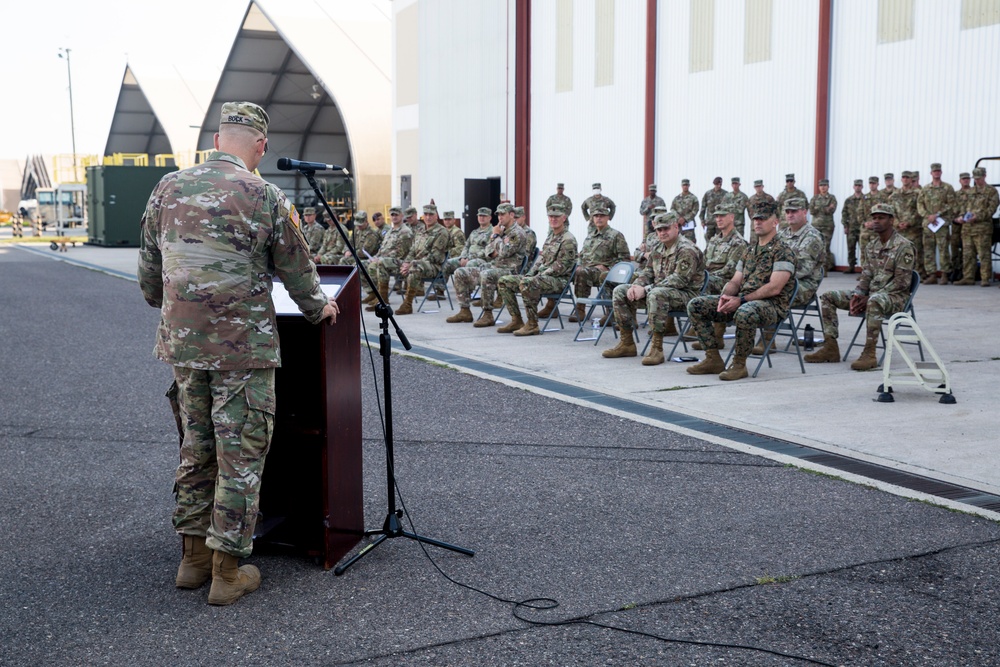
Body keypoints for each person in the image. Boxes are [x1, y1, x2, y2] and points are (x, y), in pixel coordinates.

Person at [137, 101, 340, 606]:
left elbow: (149, 270)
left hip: (183, 346)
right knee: (240, 456)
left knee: (196, 447)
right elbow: (296, 271)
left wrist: (177, 306)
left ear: (217, 137)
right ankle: (227, 571)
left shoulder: (168, 187)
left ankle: (192, 560)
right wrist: (321, 310)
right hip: (242, 351)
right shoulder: (262, 193)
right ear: (261, 146)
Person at [685, 201, 795, 381]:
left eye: (763, 219)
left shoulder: (782, 250)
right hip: (744, 301)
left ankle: (739, 364)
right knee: (696, 305)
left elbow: (775, 287)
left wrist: (741, 300)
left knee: (745, 312)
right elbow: (736, 280)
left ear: (775, 222)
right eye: (755, 219)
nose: (757, 222)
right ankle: (713, 358)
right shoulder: (750, 250)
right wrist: (726, 296)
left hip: (771, 306)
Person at [805, 203, 915, 370]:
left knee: (875, 301)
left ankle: (869, 353)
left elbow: (902, 282)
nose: (876, 221)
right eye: (874, 218)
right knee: (828, 296)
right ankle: (830, 348)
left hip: (895, 297)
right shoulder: (872, 246)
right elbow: (867, 275)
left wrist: (869, 297)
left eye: (881, 218)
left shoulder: (904, 246)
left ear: (891, 220)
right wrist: (858, 295)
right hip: (872, 295)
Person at [602, 211, 705, 365]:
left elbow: (679, 280)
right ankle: (627, 343)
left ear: (676, 227)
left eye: (666, 229)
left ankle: (657, 348)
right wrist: (638, 285)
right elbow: (648, 272)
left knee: (656, 294)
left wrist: (646, 289)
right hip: (661, 292)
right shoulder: (658, 248)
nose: (662, 233)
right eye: (659, 230)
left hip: (686, 295)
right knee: (621, 291)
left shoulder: (687, 249)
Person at [497, 203, 577, 336]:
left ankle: (532, 324)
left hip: (558, 280)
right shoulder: (551, 236)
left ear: (564, 218)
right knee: (504, 281)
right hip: (542, 277)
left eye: (557, 217)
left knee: (528, 283)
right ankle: (516, 320)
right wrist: (529, 274)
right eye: (551, 217)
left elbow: (562, 266)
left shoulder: (568, 239)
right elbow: (540, 260)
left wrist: (537, 276)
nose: (553, 219)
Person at [451, 203, 526, 325]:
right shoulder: (501, 231)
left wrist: (495, 237)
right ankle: (465, 311)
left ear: (512, 215)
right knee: (460, 272)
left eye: (503, 214)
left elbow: (504, 252)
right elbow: (488, 252)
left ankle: (488, 314)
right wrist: (498, 242)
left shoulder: (517, 233)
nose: (500, 217)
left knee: (487, 274)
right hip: (495, 266)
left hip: (510, 270)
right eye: (499, 215)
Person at [690, 203, 748, 351]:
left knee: (704, 282)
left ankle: (716, 335)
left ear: (732, 217)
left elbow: (730, 270)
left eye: (722, 216)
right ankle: (687, 325)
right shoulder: (714, 240)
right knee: (687, 280)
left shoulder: (738, 242)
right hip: (709, 276)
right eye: (717, 216)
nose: (719, 219)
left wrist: (704, 276)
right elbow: (702, 262)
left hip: (727, 281)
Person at [570, 205, 630, 323]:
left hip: (605, 272)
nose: (599, 218)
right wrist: (579, 264)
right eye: (596, 216)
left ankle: (609, 312)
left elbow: (625, 260)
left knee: (581, 272)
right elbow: (582, 255)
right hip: (587, 271)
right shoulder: (590, 236)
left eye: (602, 216)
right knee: (576, 270)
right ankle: (579, 308)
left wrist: (608, 267)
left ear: (608, 218)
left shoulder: (616, 235)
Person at [395, 204, 450, 314]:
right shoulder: (420, 230)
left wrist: (412, 263)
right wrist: (406, 263)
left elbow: (435, 256)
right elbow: (412, 251)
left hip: (434, 266)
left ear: (436, 216)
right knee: (396, 263)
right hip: (417, 265)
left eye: (431, 214)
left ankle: (407, 304)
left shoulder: (441, 232)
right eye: (426, 214)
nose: (428, 217)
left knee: (415, 266)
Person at [956, 167, 999, 286]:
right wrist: (961, 216)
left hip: (982, 228)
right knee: (967, 254)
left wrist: (977, 217)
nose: (977, 181)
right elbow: (962, 207)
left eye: (979, 178)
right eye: (975, 179)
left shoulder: (991, 191)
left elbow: (991, 209)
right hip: (967, 228)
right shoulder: (969, 192)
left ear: (985, 176)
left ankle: (985, 278)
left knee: (983, 254)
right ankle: (968, 277)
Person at [366, 206, 415, 309]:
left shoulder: (405, 231)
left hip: (401, 262)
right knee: (365, 265)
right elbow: (382, 248)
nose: (394, 217)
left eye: (397, 214)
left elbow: (401, 252)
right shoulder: (390, 232)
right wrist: (375, 257)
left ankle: (383, 299)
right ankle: (376, 294)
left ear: (402, 216)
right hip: (386, 260)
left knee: (381, 263)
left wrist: (380, 259)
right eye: (392, 215)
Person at [916, 163, 956, 285]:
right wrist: (927, 215)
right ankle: (932, 274)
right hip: (929, 223)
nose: (936, 173)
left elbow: (951, 204)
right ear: (931, 173)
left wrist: (937, 214)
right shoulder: (925, 189)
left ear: (941, 172)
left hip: (941, 224)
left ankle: (944, 275)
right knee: (928, 249)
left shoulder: (948, 188)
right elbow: (920, 204)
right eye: (934, 171)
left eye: (938, 171)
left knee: (943, 249)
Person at [889, 172, 923, 279]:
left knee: (913, 252)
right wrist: (897, 223)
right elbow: (891, 212)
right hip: (899, 230)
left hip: (913, 229)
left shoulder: (918, 193)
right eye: (903, 177)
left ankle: (915, 274)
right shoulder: (895, 194)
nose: (905, 179)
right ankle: (900, 274)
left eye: (907, 177)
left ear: (911, 179)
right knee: (898, 252)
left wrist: (909, 222)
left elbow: (920, 210)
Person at [808, 179, 838, 272]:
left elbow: (831, 210)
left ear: (828, 187)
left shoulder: (832, 198)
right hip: (815, 226)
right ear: (819, 187)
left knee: (825, 247)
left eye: (825, 185)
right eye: (821, 185)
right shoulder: (815, 198)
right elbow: (812, 211)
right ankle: (815, 269)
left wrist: (819, 208)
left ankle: (824, 269)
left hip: (827, 226)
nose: (823, 187)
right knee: (815, 246)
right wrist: (825, 207)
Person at [951, 173, 973, 280]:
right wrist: (955, 219)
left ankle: (967, 273)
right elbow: (951, 209)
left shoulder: (973, 193)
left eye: (967, 179)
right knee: (955, 248)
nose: (966, 181)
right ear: (960, 180)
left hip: (970, 225)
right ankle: (956, 270)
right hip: (957, 226)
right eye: (963, 179)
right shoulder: (955, 194)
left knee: (967, 250)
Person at [842, 179, 864, 273]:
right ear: (853, 187)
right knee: (851, 248)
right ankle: (851, 266)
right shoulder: (849, 200)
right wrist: (845, 225)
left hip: (862, 228)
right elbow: (844, 213)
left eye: (859, 185)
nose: (858, 187)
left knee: (864, 248)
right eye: (856, 185)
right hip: (851, 227)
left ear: (862, 187)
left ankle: (864, 268)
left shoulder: (866, 198)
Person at [747, 179, 775, 244]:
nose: (758, 188)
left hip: (766, 225)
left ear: (762, 186)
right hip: (754, 226)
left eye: (759, 186)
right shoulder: (751, 199)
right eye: (756, 187)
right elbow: (749, 212)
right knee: (753, 245)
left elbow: (774, 211)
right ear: (754, 187)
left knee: (767, 242)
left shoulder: (769, 198)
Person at [671, 179, 700, 243]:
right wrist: (679, 218)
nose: (685, 186)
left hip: (689, 225)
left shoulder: (693, 198)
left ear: (689, 185)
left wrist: (685, 218)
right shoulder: (677, 198)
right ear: (681, 186)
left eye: (686, 185)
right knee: (677, 242)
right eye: (684, 185)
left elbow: (695, 210)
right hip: (679, 225)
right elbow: (672, 209)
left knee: (690, 242)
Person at [700, 177, 727, 241]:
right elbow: (703, 208)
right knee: (708, 241)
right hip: (710, 223)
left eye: (720, 184)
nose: (719, 186)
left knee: (721, 241)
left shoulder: (725, 194)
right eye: (717, 184)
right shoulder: (708, 194)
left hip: (721, 223)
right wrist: (702, 220)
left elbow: (728, 209)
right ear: (714, 184)